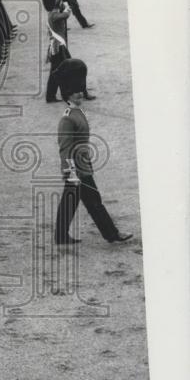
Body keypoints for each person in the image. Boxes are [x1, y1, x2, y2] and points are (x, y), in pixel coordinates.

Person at [53, 59, 132, 246]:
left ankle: (61, 236)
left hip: (82, 166)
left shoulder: (77, 112)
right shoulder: (67, 119)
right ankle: (112, 234)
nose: (80, 94)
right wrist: (70, 171)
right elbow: (64, 148)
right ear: (67, 95)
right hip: (76, 170)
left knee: (71, 203)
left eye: (81, 91)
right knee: (94, 201)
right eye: (75, 92)